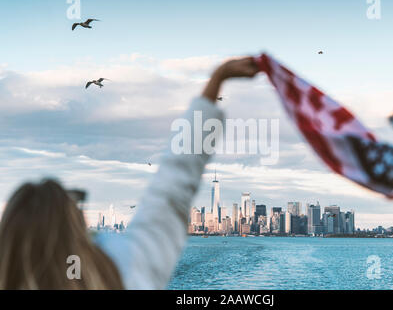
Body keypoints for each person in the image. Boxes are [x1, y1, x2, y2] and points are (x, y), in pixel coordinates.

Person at [0, 57, 260, 290]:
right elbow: (173, 184)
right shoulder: (124, 270)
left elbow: (172, 187)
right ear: (76, 231)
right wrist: (218, 78)